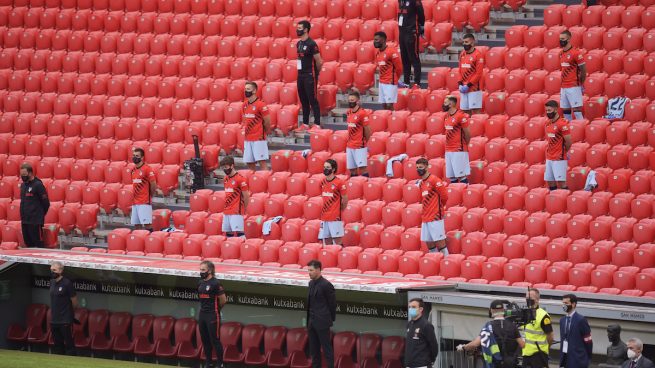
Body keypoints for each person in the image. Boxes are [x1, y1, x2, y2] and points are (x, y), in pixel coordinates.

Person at [459, 300, 525, 368]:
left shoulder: (488, 326)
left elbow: (475, 344)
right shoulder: (512, 326)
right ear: (503, 310)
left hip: (495, 364)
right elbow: (522, 344)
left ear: (491, 311)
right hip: (510, 364)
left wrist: (463, 347)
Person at [306, 260, 336, 368]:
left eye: (311, 270)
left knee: (327, 350)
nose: (309, 272)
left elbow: (332, 304)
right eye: (308, 270)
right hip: (312, 322)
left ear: (318, 269)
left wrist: (329, 319)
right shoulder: (310, 283)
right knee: (314, 350)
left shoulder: (326, 285)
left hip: (322, 322)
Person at [416, 157, 449, 255]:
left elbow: (445, 196)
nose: (419, 169)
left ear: (426, 167)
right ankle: (435, 264)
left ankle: (448, 263)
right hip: (425, 217)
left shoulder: (434, 180)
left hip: (435, 217)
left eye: (421, 167)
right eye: (417, 167)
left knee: (441, 243)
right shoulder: (421, 183)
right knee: (429, 244)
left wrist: (438, 208)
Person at [198, 260, 227, 368]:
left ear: (209, 270)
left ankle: (220, 364)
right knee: (205, 340)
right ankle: (208, 363)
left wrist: (216, 310)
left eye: (203, 270)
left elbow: (223, 300)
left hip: (213, 315)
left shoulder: (216, 283)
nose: (201, 272)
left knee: (215, 340)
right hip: (202, 315)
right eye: (200, 269)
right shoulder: (200, 283)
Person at [296, 20, 323, 129]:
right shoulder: (298, 43)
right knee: (303, 100)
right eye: (297, 28)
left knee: (312, 99)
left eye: (300, 28)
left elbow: (319, 61)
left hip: (309, 75)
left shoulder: (312, 44)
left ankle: (317, 124)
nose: (298, 30)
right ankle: (305, 124)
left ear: (306, 29)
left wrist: (315, 74)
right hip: (300, 75)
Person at [49, 261, 78, 356]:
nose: (52, 272)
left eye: (54, 270)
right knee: (57, 344)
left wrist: (70, 313)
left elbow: (74, 301)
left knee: (69, 342)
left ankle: (72, 360)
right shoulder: (52, 282)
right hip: (54, 319)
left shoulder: (67, 283)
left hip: (65, 318)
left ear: (60, 271)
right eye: (51, 270)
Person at [521, 289, 555, 368]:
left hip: (539, 354)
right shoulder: (524, 313)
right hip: (526, 353)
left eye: (530, 298)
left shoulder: (543, 315)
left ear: (537, 300)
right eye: (526, 298)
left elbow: (550, 337)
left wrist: (546, 347)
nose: (528, 300)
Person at [242, 81, 271, 171]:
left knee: (261, 161)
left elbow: (267, 121)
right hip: (248, 138)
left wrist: (265, 132)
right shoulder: (244, 105)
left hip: (258, 138)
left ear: (254, 91)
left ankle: (265, 182)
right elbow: (245, 120)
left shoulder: (261, 105)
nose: (246, 91)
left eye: (248, 89)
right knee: (249, 162)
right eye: (245, 89)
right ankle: (254, 182)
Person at [19, 163, 50, 248]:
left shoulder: (38, 185)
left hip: (35, 221)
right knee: (28, 244)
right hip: (25, 220)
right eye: (21, 175)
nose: (22, 176)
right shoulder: (23, 185)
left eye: (24, 174)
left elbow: (46, 203)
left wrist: (39, 215)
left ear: (30, 173)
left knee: (38, 244)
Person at [544, 100, 572, 190]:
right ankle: (555, 202)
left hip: (559, 158)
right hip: (549, 157)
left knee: (561, 182)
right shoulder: (548, 124)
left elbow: (568, 141)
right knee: (550, 181)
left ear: (556, 110)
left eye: (549, 110)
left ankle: (565, 201)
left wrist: (563, 152)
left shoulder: (562, 124)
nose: (548, 113)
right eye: (546, 111)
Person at [443, 95, 471, 183]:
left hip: (458, 149)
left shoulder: (461, 116)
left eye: (445, 103)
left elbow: (467, 133)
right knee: (452, 177)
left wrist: (464, 145)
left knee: (461, 175)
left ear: (451, 104)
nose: (443, 104)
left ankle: (467, 194)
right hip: (448, 149)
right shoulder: (446, 116)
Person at [319, 159, 348, 246]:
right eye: (324, 167)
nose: (325, 169)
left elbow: (345, 199)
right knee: (327, 240)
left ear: (333, 169)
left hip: (335, 217)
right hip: (324, 216)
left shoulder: (339, 182)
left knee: (337, 239)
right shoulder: (322, 182)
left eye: (328, 167)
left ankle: (342, 257)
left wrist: (340, 210)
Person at [560, 294, 593, 368]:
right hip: (565, 359)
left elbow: (588, 342)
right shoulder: (562, 320)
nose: (563, 305)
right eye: (563, 303)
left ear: (573, 304)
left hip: (578, 360)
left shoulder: (581, 320)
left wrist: (587, 358)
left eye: (566, 303)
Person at [559, 30, 586, 121]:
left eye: (563, 39)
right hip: (563, 87)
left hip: (573, 86)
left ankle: (581, 131)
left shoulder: (576, 53)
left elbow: (583, 70)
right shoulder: (560, 53)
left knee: (577, 111)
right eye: (560, 39)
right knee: (566, 112)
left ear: (569, 39)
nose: (561, 40)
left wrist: (580, 84)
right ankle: (570, 132)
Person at [404, 298, 439, 368]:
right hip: (409, 364)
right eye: (409, 307)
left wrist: (430, 360)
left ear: (421, 309)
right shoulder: (409, 324)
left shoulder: (426, 325)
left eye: (413, 307)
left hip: (422, 365)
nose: (411, 309)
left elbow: (434, 346)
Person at [398, 0, 425, 87]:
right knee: (404, 58)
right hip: (402, 32)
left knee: (414, 57)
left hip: (412, 31)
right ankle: (406, 82)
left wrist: (421, 26)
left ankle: (417, 83)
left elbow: (421, 13)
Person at [220, 156, 249, 237]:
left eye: (226, 167)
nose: (224, 169)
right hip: (226, 210)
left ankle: (243, 248)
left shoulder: (240, 179)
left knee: (240, 233)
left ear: (232, 166)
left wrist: (245, 209)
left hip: (236, 211)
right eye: (223, 168)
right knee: (228, 233)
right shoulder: (225, 179)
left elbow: (246, 196)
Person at [374, 31, 403, 110]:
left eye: (377, 40)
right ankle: (387, 120)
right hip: (381, 82)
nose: (375, 42)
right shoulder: (378, 53)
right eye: (374, 40)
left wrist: (395, 79)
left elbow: (399, 68)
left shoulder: (391, 51)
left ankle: (394, 121)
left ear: (383, 40)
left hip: (390, 82)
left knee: (389, 105)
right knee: (384, 105)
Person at [345, 91, 371, 177]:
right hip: (350, 145)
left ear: (358, 101)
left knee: (362, 168)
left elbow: (367, 130)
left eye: (352, 100)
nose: (350, 102)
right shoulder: (348, 112)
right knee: (352, 169)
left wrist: (363, 142)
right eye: (349, 100)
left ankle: (366, 187)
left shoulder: (362, 113)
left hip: (359, 145)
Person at [131, 147, 158, 230]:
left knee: (147, 225)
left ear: (142, 157)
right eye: (134, 155)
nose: (135, 157)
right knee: (136, 225)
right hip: (135, 202)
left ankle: (150, 242)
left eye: (137, 155)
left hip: (144, 202)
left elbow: (153, 184)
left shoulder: (147, 169)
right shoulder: (133, 170)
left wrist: (150, 195)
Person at [458, 33, 485, 114]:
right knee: (465, 112)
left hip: (474, 88)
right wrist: (460, 83)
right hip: (463, 88)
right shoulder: (462, 54)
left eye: (466, 42)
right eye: (463, 42)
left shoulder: (478, 55)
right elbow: (460, 70)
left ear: (472, 43)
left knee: (476, 111)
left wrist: (468, 85)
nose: (464, 44)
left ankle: (477, 126)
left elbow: (478, 73)